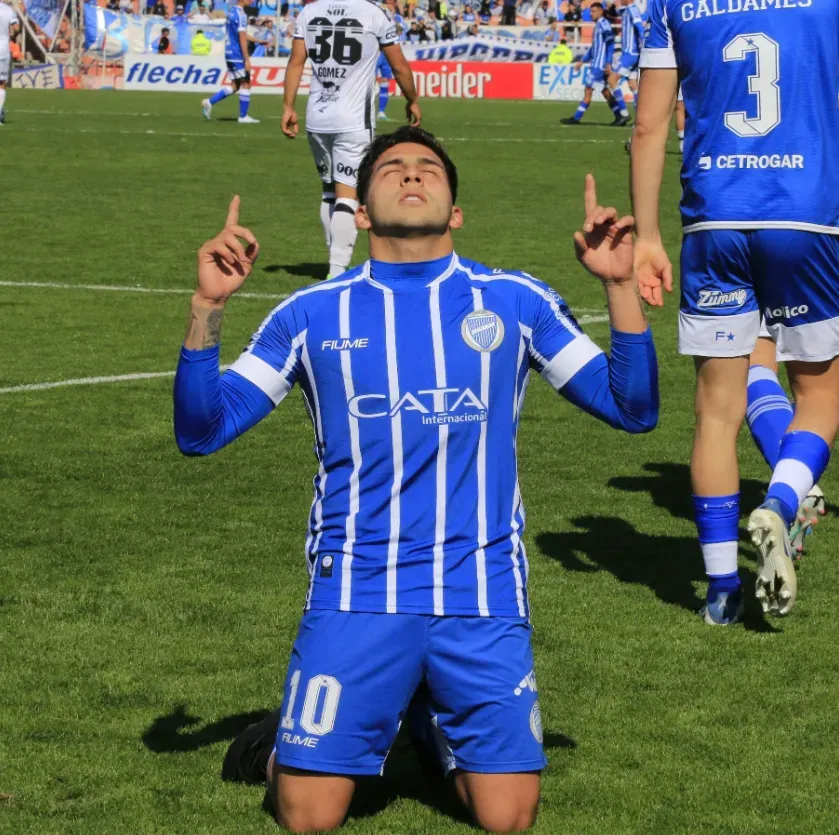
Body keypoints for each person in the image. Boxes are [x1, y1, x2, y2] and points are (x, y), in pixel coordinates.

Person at [173, 125, 659, 833]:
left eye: (428, 167)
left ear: (455, 211)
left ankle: (427, 722)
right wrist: (207, 307)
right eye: (391, 167)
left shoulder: (514, 302)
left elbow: (632, 408)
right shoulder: (309, 315)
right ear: (361, 210)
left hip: (480, 589)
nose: (410, 174)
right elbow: (201, 430)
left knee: (507, 818)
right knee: (308, 817)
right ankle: (284, 741)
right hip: (357, 589)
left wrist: (619, 288)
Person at [631, 0, 839, 624]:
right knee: (822, 397)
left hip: (713, 220)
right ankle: (781, 500)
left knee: (715, 414)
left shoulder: (668, 4)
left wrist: (646, 236)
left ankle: (721, 589)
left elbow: (648, 127)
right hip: (806, 215)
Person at [281, 0, 421, 280]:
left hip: (317, 117)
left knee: (329, 191)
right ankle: (335, 272)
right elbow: (400, 66)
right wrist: (413, 99)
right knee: (349, 195)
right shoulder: (374, 12)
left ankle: (334, 259)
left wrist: (288, 106)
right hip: (354, 120)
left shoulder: (310, 11)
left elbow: (296, 62)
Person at [561, 3, 629, 127]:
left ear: (601, 12)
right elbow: (594, 48)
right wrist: (582, 61)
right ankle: (619, 116)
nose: (591, 14)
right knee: (605, 92)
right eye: (591, 11)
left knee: (588, 90)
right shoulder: (598, 25)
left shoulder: (604, 24)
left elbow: (610, 43)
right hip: (598, 64)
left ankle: (576, 118)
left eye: (594, 11)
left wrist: (608, 62)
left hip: (600, 65)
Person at [201, 0, 259, 124]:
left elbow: (239, 34)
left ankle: (209, 102)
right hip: (237, 53)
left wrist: (257, 40)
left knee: (236, 85)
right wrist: (247, 59)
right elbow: (242, 37)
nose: (252, 0)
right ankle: (243, 117)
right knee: (246, 83)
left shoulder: (231, 11)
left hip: (229, 51)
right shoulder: (241, 15)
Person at [607, 0, 643, 121]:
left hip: (630, 54)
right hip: (633, 54)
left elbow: (639, 27)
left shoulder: (632, 9)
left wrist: (643, 44)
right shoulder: (626, 9)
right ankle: (641, 115)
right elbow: (612, 12)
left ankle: (623, 113)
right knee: (633, 84)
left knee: (612, 79)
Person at [0, 0, 20, 126]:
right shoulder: (7, 9)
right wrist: (12, 36)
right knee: (1, 84)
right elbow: (16, 28)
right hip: (2, 50)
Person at [375, 50, 392, 121]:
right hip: (374, 53)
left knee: (385, 83)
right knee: (370, 82)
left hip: (386, 54)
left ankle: (381, 112)